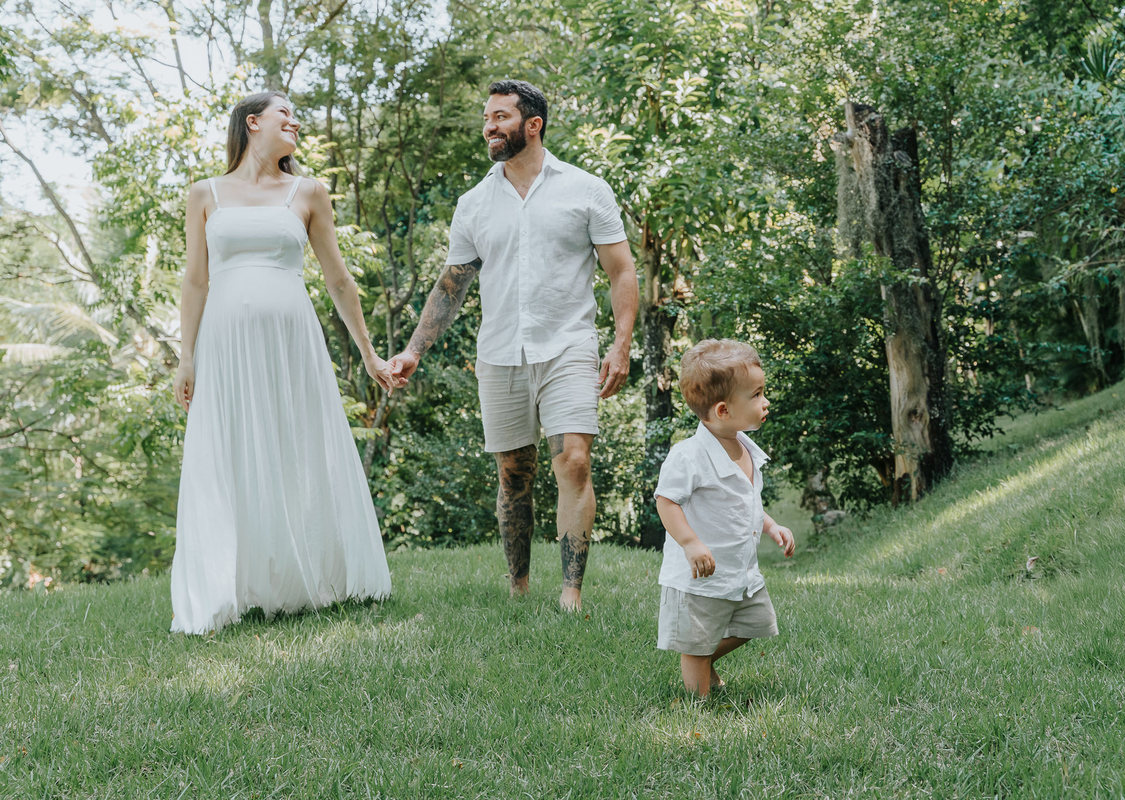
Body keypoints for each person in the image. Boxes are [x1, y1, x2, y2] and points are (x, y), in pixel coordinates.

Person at [387, 80, 638, 611]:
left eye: (500, 116)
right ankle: (519, 588)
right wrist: (413, 351)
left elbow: (621, 271)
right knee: (514, 473)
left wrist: (620, 346)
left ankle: (570, 594)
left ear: (533, 124)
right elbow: (452, 284)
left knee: (573, 461)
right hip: (499, 351)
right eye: (486, 118)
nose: (489, 127)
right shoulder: (475, 203)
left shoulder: (586, 189)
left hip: (568, 343)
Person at [170, 91, 394, 634]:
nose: (295, 123)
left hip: (292, 340)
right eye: (284, 115)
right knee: (230, 450)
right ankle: (226, 584)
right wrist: (186, 357)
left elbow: (338, 279)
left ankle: (306, 577)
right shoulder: (205, 194)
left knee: (297, 448)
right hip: (224, 344)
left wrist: (368, 352)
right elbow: (195, 280)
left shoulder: (309, 192)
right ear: (253, 123)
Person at [654, 339, 796, 696]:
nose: (766, 402)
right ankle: (696, 704)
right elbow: (666, 501)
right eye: (757, 394)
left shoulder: (746, 447)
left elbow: (745, 502)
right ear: (722, 410)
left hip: (740, 572)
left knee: (756, 623)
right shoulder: (688, 456)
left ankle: (702, 659)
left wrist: (771, 525)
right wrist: (690, 542)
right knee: (697, 641)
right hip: (699, 578)